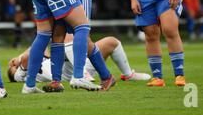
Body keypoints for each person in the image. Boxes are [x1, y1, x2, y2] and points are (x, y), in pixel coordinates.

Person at [8, 33, 150, 83]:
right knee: (67, 35)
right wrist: (19, 58)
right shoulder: (21, 76)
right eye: (12, 68)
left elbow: (41, 47)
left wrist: (18, 58)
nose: (12, 65)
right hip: (65, 74)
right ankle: (81, 74)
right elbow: (28, 56)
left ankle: (128, 75)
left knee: (111, 42)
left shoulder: (37, 61)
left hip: (71, 62)